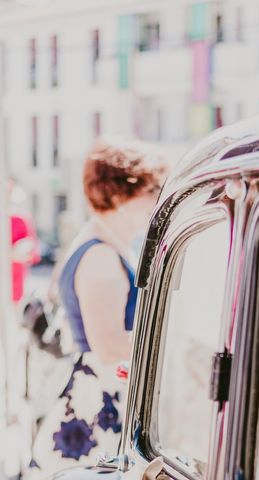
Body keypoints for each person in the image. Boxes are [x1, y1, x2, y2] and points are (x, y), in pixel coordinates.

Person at [26, 137, 168, 478]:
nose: (157, 200)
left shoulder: (100, 243)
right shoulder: (101, 255)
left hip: (98, 391)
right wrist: (172, 344)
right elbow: (107, 345)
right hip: (100, 398)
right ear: (120, 193)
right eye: (152, 190)